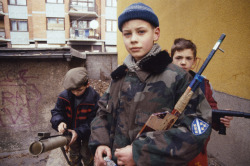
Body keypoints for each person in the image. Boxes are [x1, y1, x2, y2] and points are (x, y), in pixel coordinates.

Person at [89, 2, 213, 166]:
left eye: (141, 32)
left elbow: (199, 128)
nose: (133, 39)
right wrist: (101, 142)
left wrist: (140, 152)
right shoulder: (119, 77)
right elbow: (102, 112)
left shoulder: (177, 78)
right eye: (127, 34)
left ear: (156, 34)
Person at [171, 38, 233, 166]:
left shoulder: (204, 84)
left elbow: (210, 110)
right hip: (167, 147)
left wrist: (220, 118)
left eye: (188, 58)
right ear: (171, 59)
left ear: (194, 61)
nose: (183, 62)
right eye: (178, 58)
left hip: (196, 149)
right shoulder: (162, 83)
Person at [50, 67, 100, 166]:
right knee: (74, 156)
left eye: (79, 90)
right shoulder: (63, 96)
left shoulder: (94, 97)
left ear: (87, 84)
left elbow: (95, 120)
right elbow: (57, 112)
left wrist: (78, 132)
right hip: (70, 133)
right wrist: (59, 122)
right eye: (72, 90)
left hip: (88, 132)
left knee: (87, 154)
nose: (76, 93)